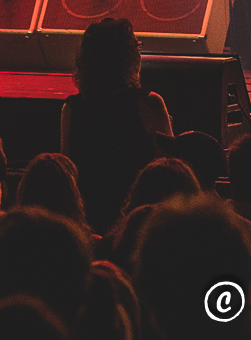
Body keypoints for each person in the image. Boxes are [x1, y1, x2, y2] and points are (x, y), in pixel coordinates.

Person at [60, 17, 173, 233]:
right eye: (136, 47)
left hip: (90, 218)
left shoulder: (72, 108)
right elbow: (169, 169)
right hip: (139, 221)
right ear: (128, 57)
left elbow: (67, 170)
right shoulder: (148, 103)